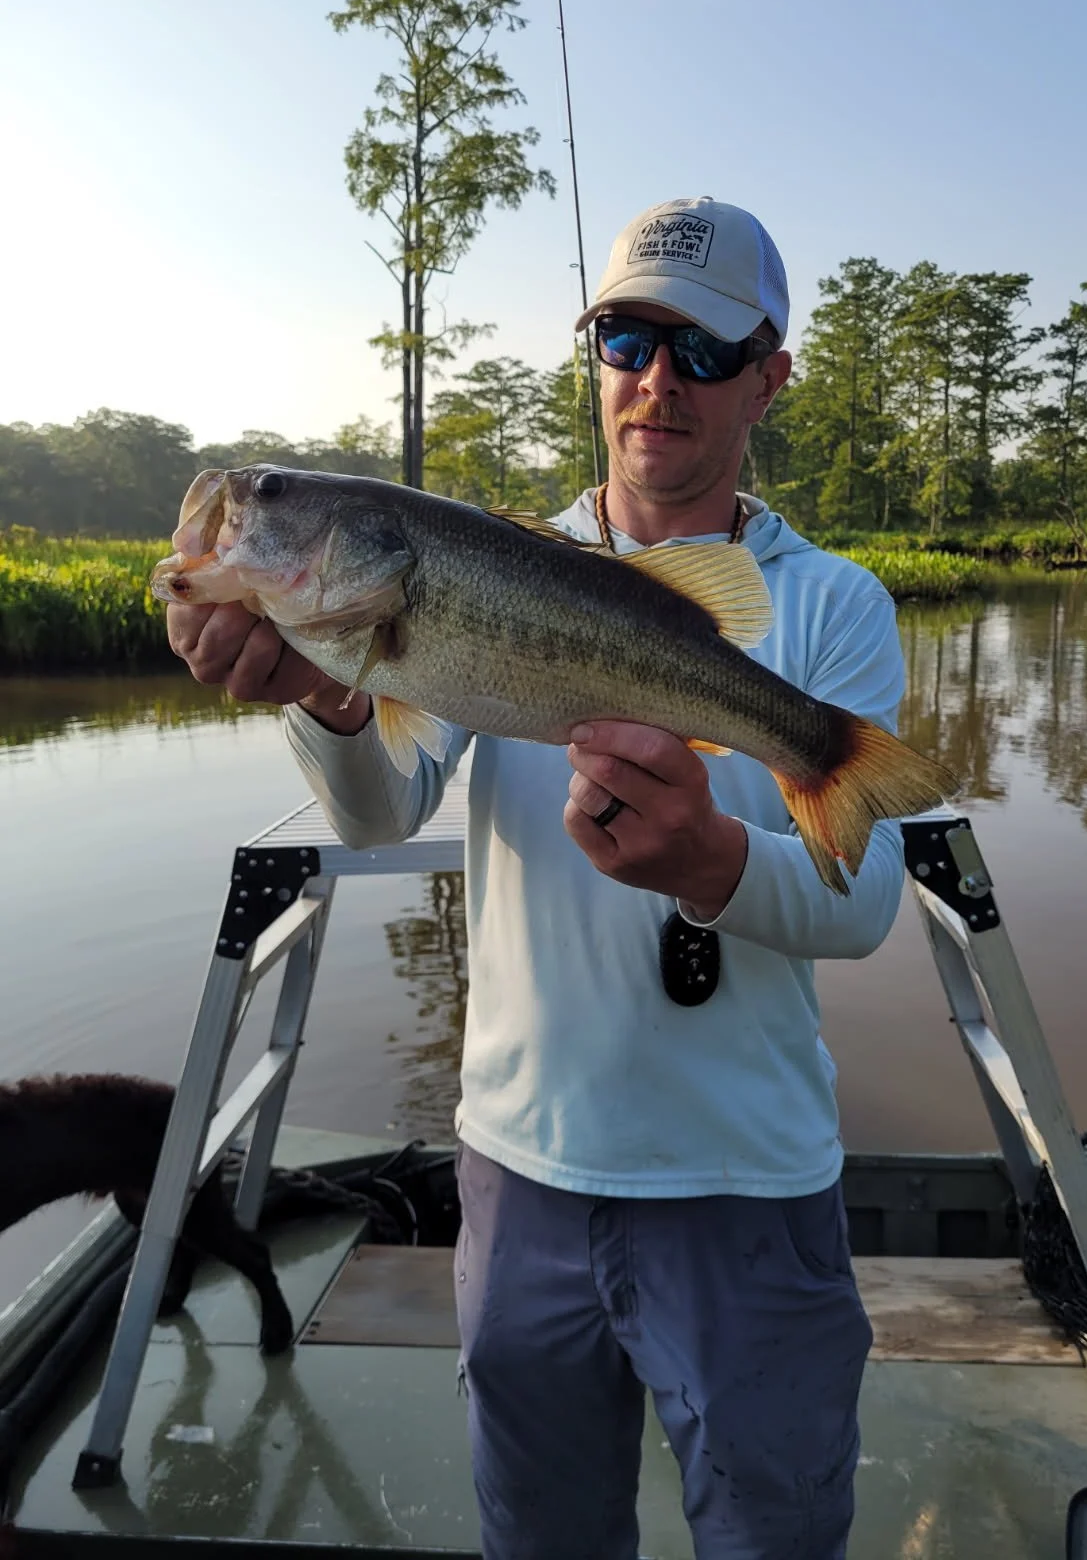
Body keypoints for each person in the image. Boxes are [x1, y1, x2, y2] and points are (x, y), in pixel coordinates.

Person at [168, 196, 910, 1559]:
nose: (653, 381)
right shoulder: (481, 571)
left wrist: (710, 859)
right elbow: (385, 812)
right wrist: (326, 704)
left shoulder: (834, 605)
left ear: (769, 376)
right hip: (521, 1176)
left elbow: (863, 907)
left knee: (775, 1536)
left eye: (699, 350)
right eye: (626, 338)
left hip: (746, 1182)